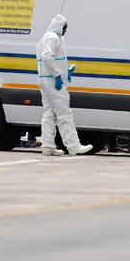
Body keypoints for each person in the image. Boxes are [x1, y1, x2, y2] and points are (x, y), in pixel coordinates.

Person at [36, 14, 92, 157]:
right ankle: (73, 146)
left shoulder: (46, 37)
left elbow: (50, 60)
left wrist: (65, 71)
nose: (65, 30)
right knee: (64, 113)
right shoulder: (53, 38)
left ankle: (48, 146)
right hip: (52, 81)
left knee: (49, 113)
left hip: (45, 79)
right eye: (64, 28)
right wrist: (58, 75)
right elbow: (47, 57)